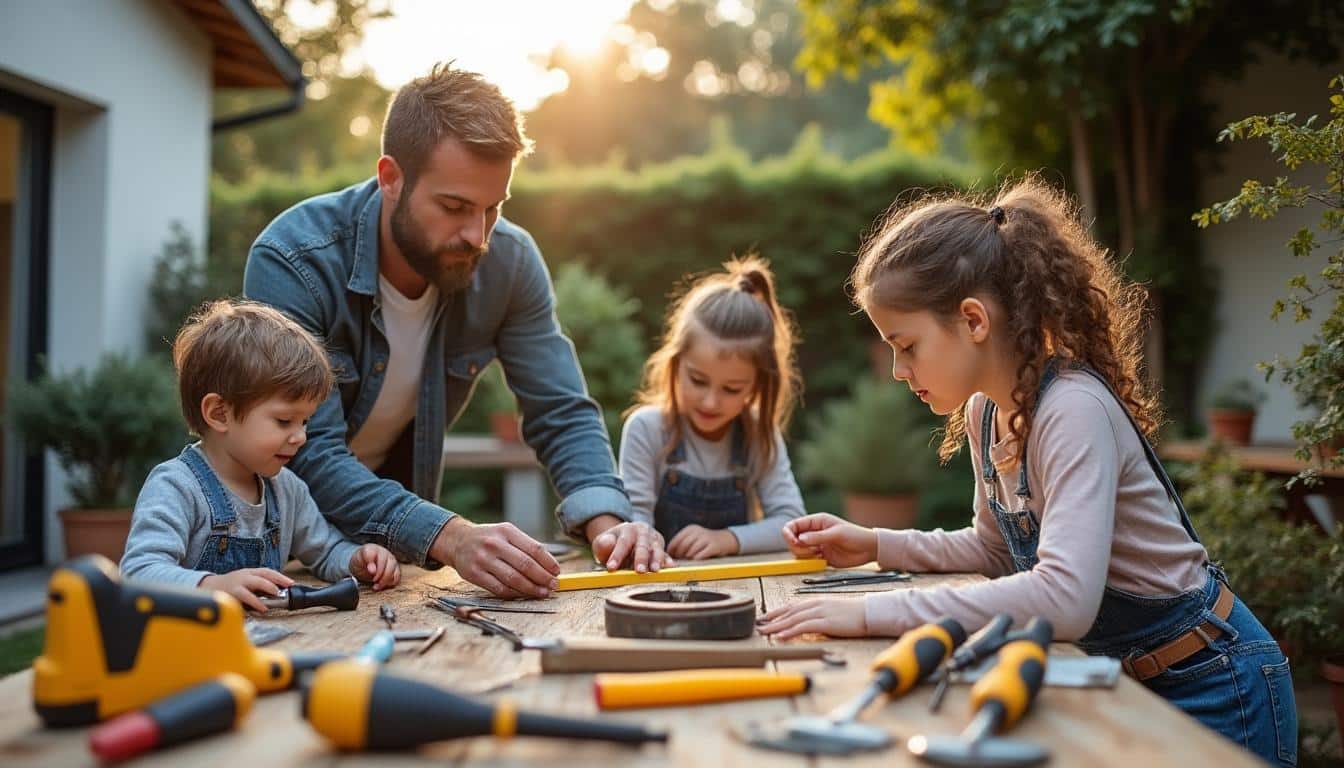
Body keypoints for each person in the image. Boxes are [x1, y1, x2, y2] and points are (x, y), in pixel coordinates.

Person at [758, 179, 1297, 764]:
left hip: (1214, 684)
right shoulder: (987, 411)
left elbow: (1065, 598)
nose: (896, 369)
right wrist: (874, 544)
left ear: (973, 319)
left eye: (906, 345)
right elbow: (994, 551)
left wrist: (866, 614)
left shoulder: (1071, 409)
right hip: (1123, 680)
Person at [242, 63, 666, 597]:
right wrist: (452, 536)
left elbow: (559, 409)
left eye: (493, 209)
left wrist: (608, 527)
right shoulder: (294, 260)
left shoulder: (508, 262)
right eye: (454, 207)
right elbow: (307, 451)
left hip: (385, 563)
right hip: (264, 552)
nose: (476, 234)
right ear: (391, 177)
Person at [121, 300, 400, 611]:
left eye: (304, 421)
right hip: (188, 651)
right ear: (220, 414)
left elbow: (325, 549)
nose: (301, 436)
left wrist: (355, 560)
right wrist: (212, 586)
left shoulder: (287, 490)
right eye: (284, 421)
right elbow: (138, 572)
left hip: (260, 647)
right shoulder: (176, 487)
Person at [616, 257, 806, 564]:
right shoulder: (646, 428)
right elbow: (634, 521)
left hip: (742, 590)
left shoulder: (759, 434)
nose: (710, 402)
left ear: (757, 387)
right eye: (698, 380)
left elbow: (791, 523)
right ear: (675, 364)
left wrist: (727, 539)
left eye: (731, 389)